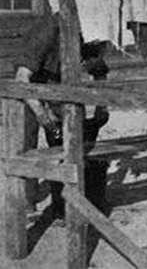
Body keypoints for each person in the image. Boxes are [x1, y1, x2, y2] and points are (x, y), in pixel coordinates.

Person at [14, 11, 111, 220]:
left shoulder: (89, 29)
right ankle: (27, 200)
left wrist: (102, 108)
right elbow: (21, 78)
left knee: (72, 141)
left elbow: (100, 73)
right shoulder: (46, 32)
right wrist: (40, 112)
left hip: (59, 85)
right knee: (26, 145)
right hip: (29, 88)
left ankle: (67, 197)